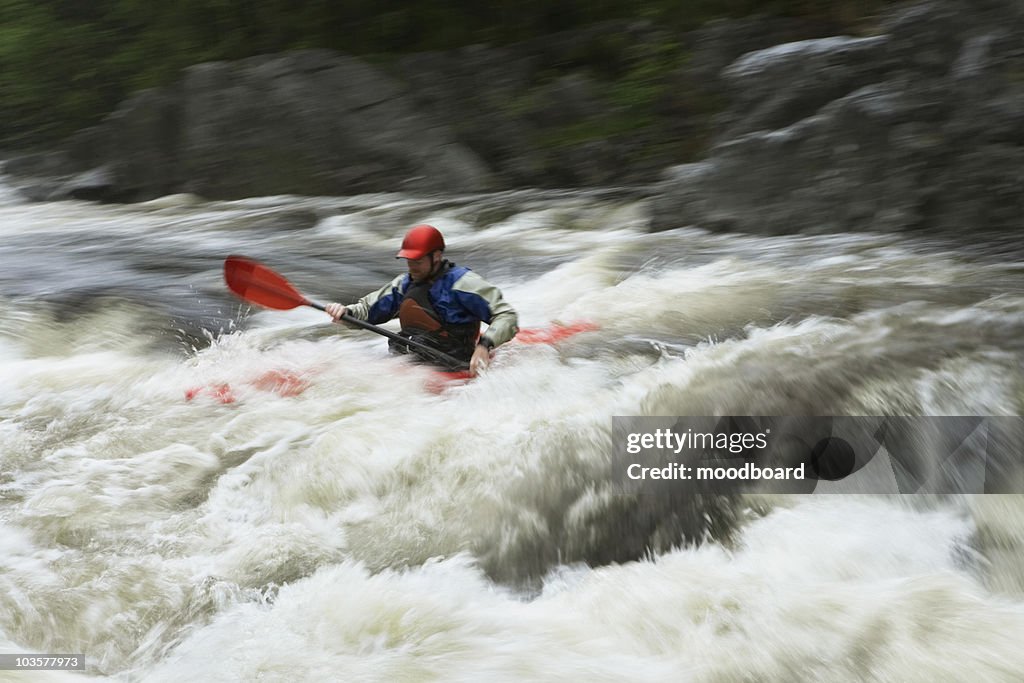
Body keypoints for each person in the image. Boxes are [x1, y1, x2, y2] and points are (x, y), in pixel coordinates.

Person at [324, 224, 518, 376]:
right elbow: (367, 310)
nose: (412, 267)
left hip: (453, 363)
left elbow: (506, 316)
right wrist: (345, 313)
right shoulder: (404, 284)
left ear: (437, 256)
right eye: (409, 261)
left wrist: (484, 346)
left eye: (417, 261)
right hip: (410, 361)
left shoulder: (463, 284)